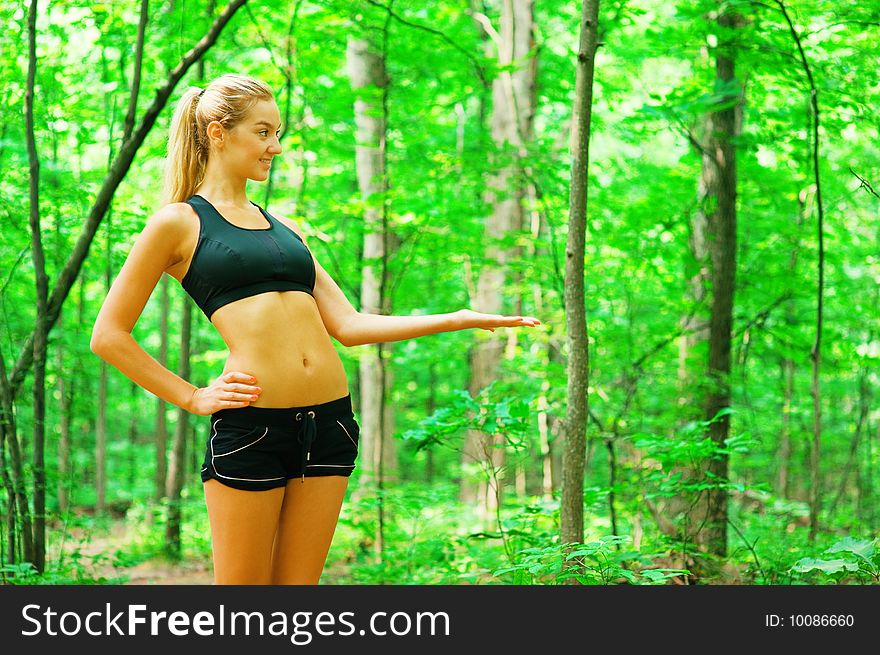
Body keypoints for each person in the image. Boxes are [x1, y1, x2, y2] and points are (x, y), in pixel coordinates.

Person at [90, 73, 541, 585]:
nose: (275, 147)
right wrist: (193, 396)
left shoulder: (284, 230)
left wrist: (460, 318)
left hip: (329, 426)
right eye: (263, 132)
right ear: (218, 133)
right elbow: (109, 335)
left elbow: (348, 325)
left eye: (277, 133)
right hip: (254, 427)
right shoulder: (177, 223)